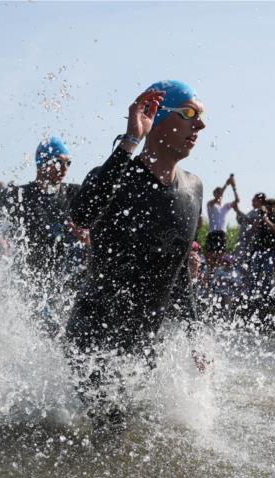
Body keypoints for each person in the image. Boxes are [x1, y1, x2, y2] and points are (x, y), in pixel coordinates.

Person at [64, 81, 207, 426]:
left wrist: (195, 335)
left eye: (201, 117)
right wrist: (130, 141)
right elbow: (82, 214)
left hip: (143, 346)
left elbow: (178, 272)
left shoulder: (193, 187)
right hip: (94, 338)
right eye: (190, 114)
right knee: (106, 436)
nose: (199, 125)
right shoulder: (118, 175)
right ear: (156, 116)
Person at [0, 135, 86, 285]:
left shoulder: (75, 194)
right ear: (42, 163)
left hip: (68, 284)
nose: (65, 168)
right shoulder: (17, 196)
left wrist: (89, 237)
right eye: (58, 162)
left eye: (68, 163)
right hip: (28, 283)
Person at [204, 176, 240, 262]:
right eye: (217, 193)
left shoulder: (225, 206)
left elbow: (237, 200)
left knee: (221, 256)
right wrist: (226, 184)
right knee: (210, 256)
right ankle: (209, 272)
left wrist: (234, 187)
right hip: (212, 232)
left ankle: (217, 272)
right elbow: (217, 198)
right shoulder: (210, 204)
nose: (219, 195)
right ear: (214, 194)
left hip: (222, 233)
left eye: (219, 193)